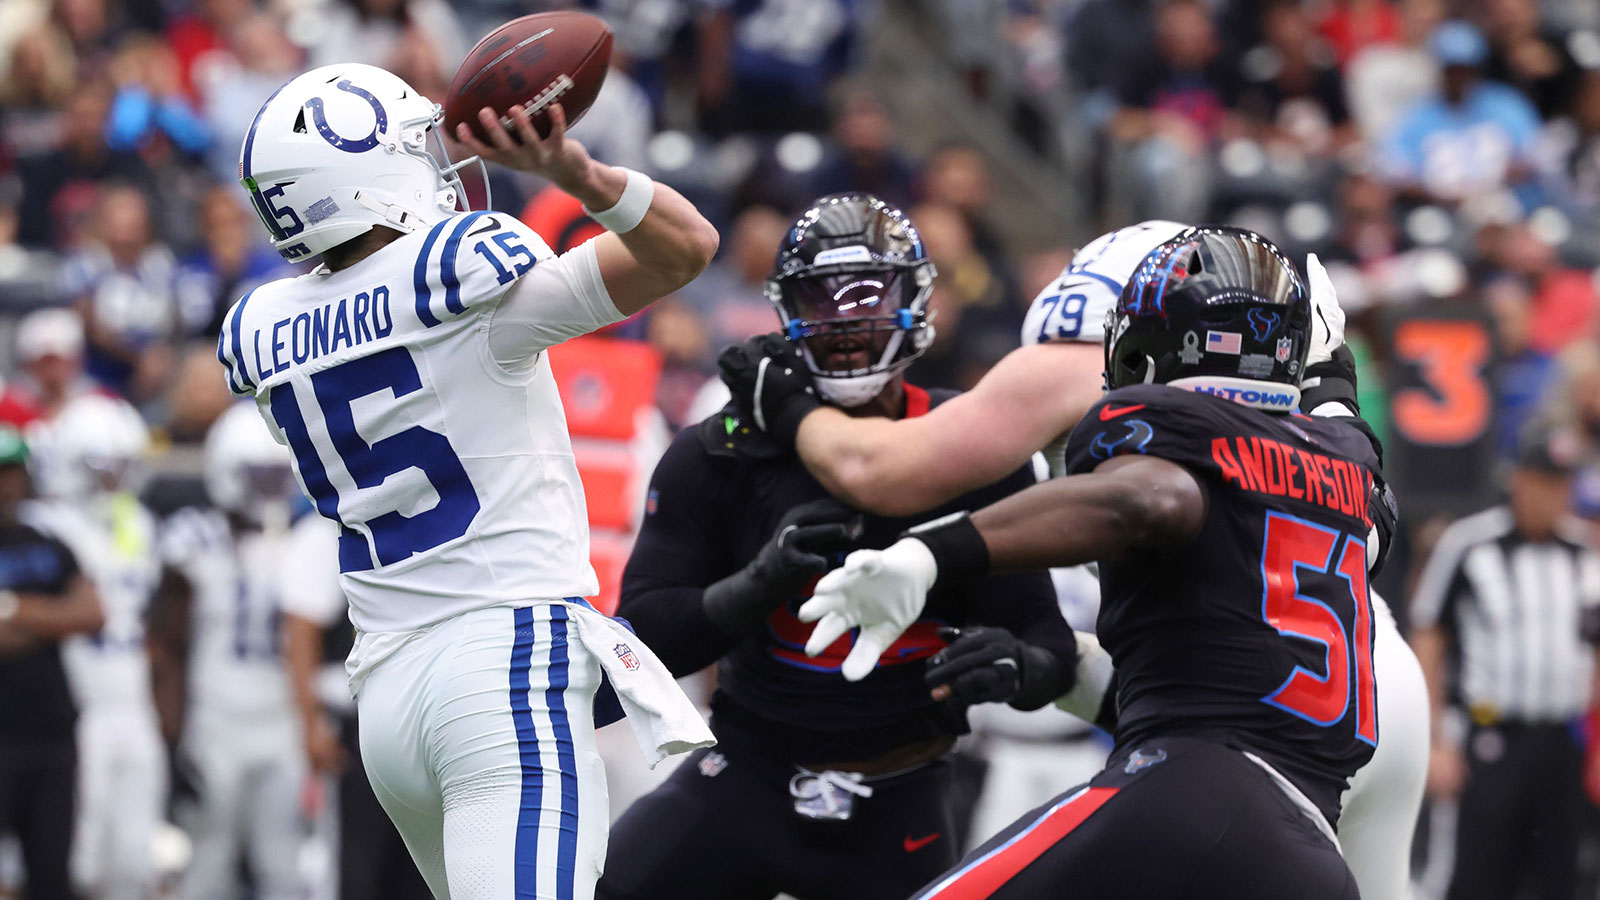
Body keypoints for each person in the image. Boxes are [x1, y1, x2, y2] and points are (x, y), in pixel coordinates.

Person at [718, 219, 1429, 899]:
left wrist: (928, 555)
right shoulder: (1347, 457)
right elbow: (1213, 651)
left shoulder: (1165, 431)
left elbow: (1144, 501)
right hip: (1311, 827)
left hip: (1199, 788)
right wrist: (1050, 670)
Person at [220, 63, 718, 899]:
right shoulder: (463, 281)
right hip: (501, 661)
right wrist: (579, 176)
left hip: (385, 692)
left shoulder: (263, 330)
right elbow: (686, 248)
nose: (438, 164)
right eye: (414, 147)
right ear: (370, 177)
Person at [598, 194, 1077, 900]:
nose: (847, 322)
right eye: (821, 299)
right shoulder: (723, 451)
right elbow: (641, 645)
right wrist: (756, 586)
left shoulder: (976, 448)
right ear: (786, 311)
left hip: (901, 792)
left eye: (867, 295)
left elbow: (1049, 648)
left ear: (916, 299)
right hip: (749, 770)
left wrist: (1017, 666)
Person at [1410, 426, 1600, 900]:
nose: (1550, 494)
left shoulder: (1585, 554)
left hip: (1562, 743)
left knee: (1561, 877)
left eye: (1560, 483)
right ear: (1516, 479)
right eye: (1541, 480)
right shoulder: (1470, 543)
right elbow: (1429, 636)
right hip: (1488, 739)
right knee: (1474, 877)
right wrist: (1432, 741)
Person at [149, 403, 308, 900]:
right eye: (257, 475)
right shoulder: (193, 539)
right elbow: (169, 645)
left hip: (283, 724)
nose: (269, 489)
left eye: (276, 475)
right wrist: (171, 740)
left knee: (286, 867)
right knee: (207, 865)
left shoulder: (303, 540)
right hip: (215, 721)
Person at [25, 393, 166, 900]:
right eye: (101, 467)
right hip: (75, 703)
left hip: (132, 702)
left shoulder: (138, 525)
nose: (112, 480)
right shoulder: (44, 528)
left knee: (134, 860)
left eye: (121, 467)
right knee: (74, 859)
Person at [0, 425, 104, 900]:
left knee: (52, 874)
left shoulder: (46, 541)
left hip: (51, 732)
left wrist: (17, 610)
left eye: (12, 471)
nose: (5, 483)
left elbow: (91, 613)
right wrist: (49, 617)